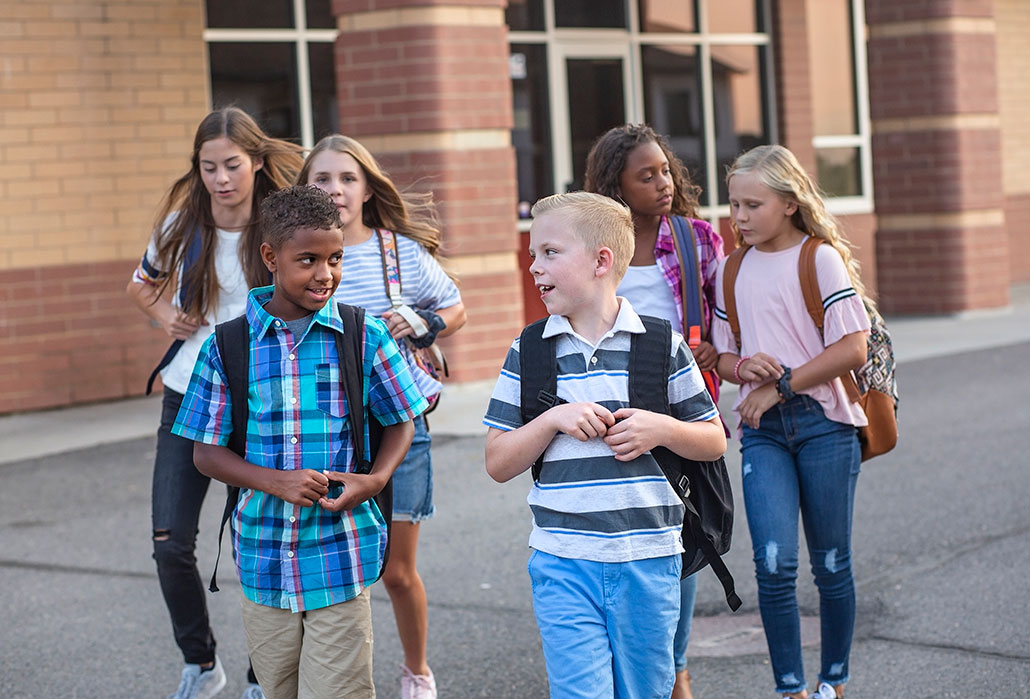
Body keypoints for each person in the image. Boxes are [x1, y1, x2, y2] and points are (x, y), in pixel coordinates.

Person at [171, 185, 429, 699]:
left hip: (341, 554)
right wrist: (276, 482)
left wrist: (375, 479)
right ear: (271, 257)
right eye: (307, 260)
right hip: (264, 562)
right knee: (279, 691)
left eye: (335, 259)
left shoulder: (363, 335)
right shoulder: (227, 346)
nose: (325, 274)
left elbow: (403, 418)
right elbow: (205, 452)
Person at [483, 192, 726, 698]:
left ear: (601, 260)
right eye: (532, 254)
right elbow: (498, 461)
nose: (534, 267)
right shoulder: (528, 350)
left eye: (550, 253)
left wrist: (660, 429)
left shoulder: (663, 344)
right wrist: (552, 419)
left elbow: (713, 440)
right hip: (562, 559)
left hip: (649, 559)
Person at [126, 106, 303, 699]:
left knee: (259, 545)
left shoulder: (281, 223)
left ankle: (263, 676)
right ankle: (202, 665)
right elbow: (141, 282)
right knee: (169, 543)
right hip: (186, 396)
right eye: (209, 167)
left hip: (261, 405)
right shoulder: (183, 223)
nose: (221, 178)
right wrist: (165, 316)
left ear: (255, 161)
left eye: (232, 165)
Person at [298, 134, 467, 699]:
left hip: (401, 424)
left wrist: (424, 324)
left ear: (368, 189)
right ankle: (342, 679)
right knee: (337, 571)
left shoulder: (397, 253)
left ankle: (417, 672)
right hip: (327, 426)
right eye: (322, 179)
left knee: (395, 571)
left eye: (347, 178)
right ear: (306, 189)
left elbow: (454, 307)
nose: (336, 190)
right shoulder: (298, 254)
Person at [712, 145, 871, 699]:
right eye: (734, 205)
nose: (740, 217)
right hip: (764, 435)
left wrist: (779, 386)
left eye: (753, 205)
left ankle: (833, 682)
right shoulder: (728, 270)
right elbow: (722, 356)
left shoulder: (819, 258)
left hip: (825, 423)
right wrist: (742, 366)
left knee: (830, 563)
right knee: (774, 563)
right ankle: (789, 689)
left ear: (788, 202)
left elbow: (852, 347)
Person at [584, 123, 725, 699]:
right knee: (616, 540)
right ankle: (636, 662)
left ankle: (675, 664)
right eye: (647, 175)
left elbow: (725, 321)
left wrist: (716, 349)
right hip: (608, 425)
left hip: (680, 421)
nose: (663, 183)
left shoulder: (697, 241)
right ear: (616, 187)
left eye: (665, 170)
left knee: (680, 540)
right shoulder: (593, 249)